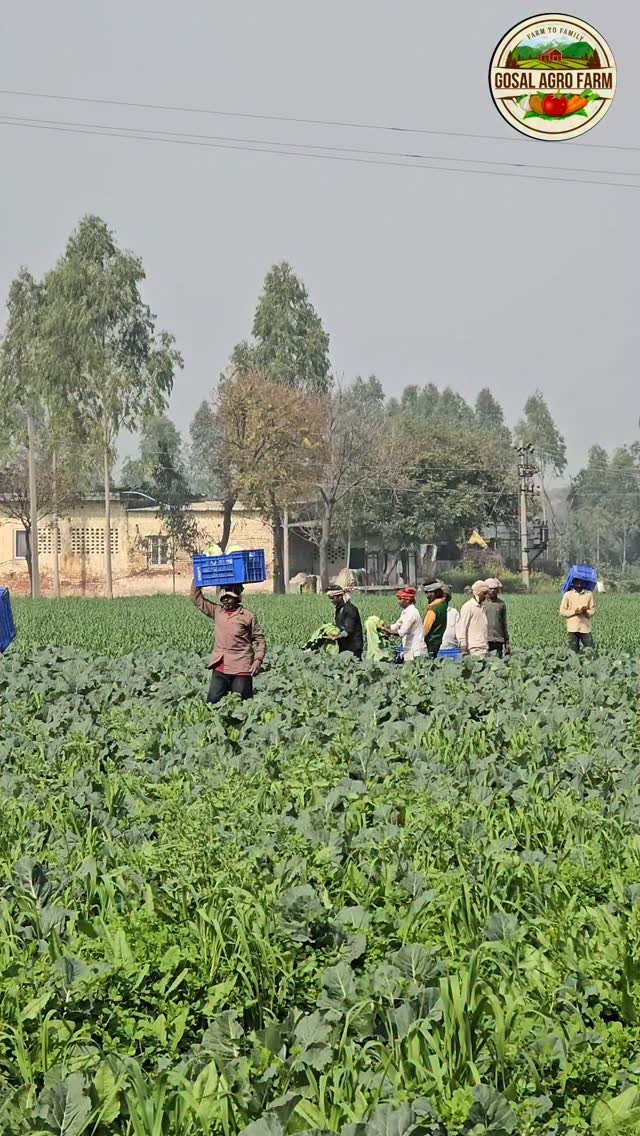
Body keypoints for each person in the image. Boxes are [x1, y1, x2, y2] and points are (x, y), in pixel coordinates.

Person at [191, 580, 266, 704]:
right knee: (213, 701)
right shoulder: (217, 612)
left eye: (229, 597)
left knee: (241, 703)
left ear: (237, 598)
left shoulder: (247, 616)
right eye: (223, 598)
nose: (225, 600)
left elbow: (259, 640)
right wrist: (197, 579)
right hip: (220, 665)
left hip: (241, 666)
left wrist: (258, 660)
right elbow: (197, 599)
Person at [385, 587, 426, 661]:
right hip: (409, 650)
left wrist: (384, 629)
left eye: (400, 599)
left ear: (407, 600)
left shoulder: (411, 613)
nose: (399, 602)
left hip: (415, 651)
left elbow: (402, 633)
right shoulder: (405, 612)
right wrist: (385, 627)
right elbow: (396, 625)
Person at [560, 576, 595, 652]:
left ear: (584, 583)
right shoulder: (567, 595)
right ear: (573, 583)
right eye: (577, 583)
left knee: (590, 650)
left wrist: (586, 612)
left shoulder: (589, 594)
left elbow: (592, 610)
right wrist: (574, 612)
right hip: (572, 628)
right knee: (573, 652)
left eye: (581, 583)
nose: (579, 585)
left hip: (585, 628)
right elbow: (562, 611)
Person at [327, 587, 364, 659]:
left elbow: (348, 630)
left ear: (340, 596)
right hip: (345, 645)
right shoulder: (339, 609)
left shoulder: (350, 609)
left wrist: (336, 637)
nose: (331, 600)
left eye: (332, 598)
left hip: (353, 647)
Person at [458, 581, 490, 658]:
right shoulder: (468, 607)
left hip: (483, 646)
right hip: (474, 648)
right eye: (484, 593)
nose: (486, 596)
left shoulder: (482, 607)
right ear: (478, 593)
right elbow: (462, 627)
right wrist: (463, 645)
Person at [483, 577, 511, 658]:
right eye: (490, 589)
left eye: (495, 589)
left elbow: (504, 623)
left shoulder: (501, 604)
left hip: (498, 639)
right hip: (485, 639)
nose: (492, 591)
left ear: (498, 590)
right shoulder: (482, 604)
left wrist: (506, 641)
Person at [423, 580, 450, 658]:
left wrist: (419, 641)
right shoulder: (443, 605)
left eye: (429, 593)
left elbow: (425, 629)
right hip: (438, 642)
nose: (427, 596)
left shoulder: (433, 609)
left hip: (430, 642)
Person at [440, 585, 461, 651]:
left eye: (444, 596)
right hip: (437, 649)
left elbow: (459, 632)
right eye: (440, 597)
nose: (442, 599)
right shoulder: (432, 612)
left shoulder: (453, 612)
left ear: (448, 598)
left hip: (452, 648)